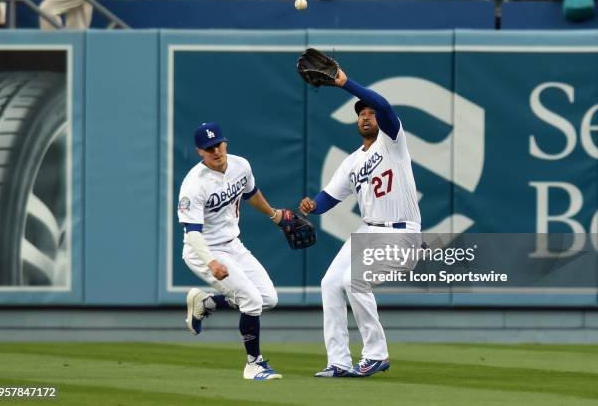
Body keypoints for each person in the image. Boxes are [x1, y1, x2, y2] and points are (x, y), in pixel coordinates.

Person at [299, 64, 422, 378]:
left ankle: (376, 354)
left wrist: (344, 82)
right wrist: (312, 205)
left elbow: (384, 105)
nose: (366, 116)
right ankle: (338, 361)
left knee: (353, 280)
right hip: (369, 230)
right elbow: (329, 199)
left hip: (402, 233)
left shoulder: (392, 141)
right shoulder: (352, 162)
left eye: (370, 112)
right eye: (361, 113)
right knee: (330, 283)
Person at [179, 122, 285, 380]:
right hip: (203, 249)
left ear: (225, 143)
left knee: (268, 299)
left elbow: (252, 194)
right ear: (199, 152)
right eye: (209, 148)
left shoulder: (241, 165)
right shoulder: (194, 184)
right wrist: (211, 261)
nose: (216, 151)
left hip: (233, 244)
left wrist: (275, 215)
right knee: (251, 301)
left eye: (218, 145)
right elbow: (192, 233)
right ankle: (254, 364)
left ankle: (207, 302)